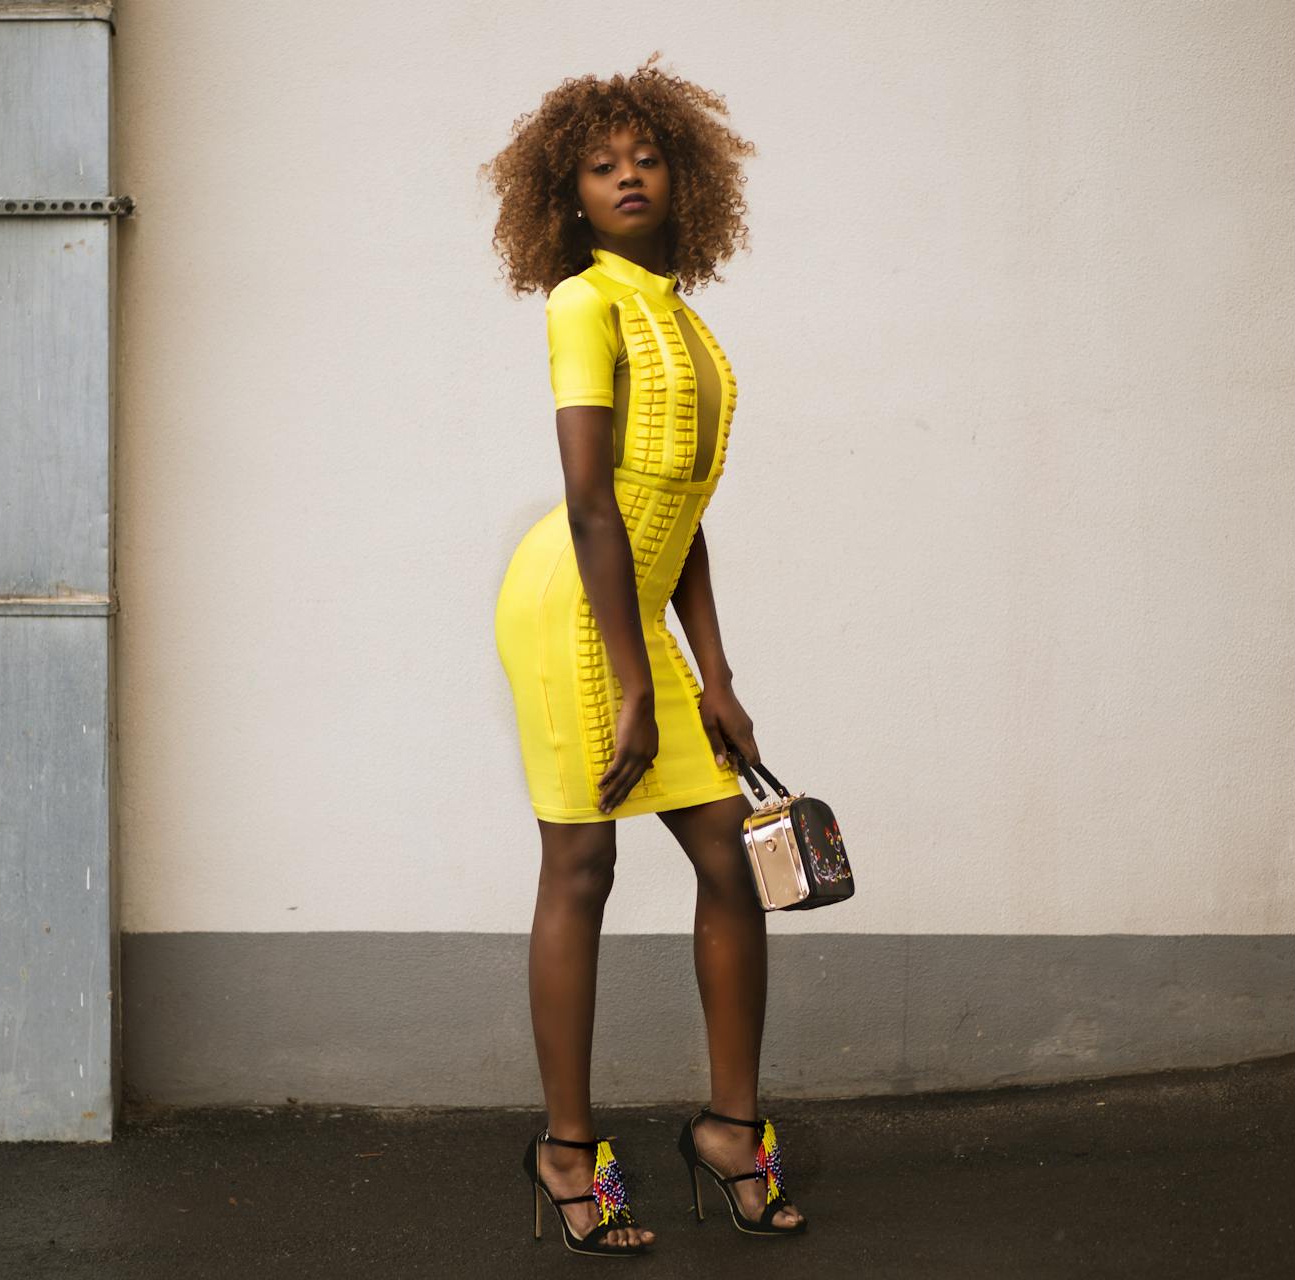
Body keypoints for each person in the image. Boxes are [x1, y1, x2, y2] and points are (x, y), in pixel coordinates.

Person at [480, 53, 809, 1257]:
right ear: (565, 194)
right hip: (572, 603)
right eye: (600, 165)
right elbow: (591, 504)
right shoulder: (584, 303)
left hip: (636, 606)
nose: (628, 176)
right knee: (584, 864)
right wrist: (632, 679)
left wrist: (713, 677)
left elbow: (678, 509)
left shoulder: (687, 321)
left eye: (648, 158)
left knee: (732, 856)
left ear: (687, 179)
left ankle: (728, 1127)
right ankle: (567, 1150)